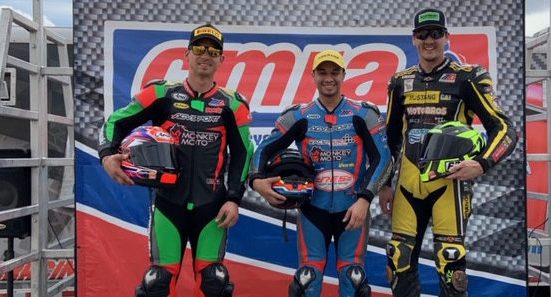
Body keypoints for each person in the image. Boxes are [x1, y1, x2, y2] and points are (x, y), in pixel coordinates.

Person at [98, 24, 254, 297]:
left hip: (213, 208)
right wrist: (107, 155)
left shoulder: (233, 104)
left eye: (213, 50)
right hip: (169, 204)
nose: (205, 55)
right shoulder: (162, 94)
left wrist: (234, 199)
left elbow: (243, 153)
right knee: (157, 282)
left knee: (213, 282)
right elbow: (116, 121)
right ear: (187, 54)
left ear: (221, 59)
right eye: (199, 48)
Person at [379, 8, 517, 297]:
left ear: (446, 38)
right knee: (398, 260)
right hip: (407, 184)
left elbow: (505, 129)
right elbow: (390, 139)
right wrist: (384, 185)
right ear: (414, 39)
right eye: (423, 34)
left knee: (450, 263)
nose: (429, 40)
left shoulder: (469, 77)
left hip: (450, 185)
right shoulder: (399, 82)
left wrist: (481, 164)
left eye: (436, 34)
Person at [249, 50, 392, 297]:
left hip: (353, 210)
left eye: (335, 72)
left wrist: (365, 199)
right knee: (308, 279)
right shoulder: (299, 116)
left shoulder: (363, 114)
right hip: (313, 210)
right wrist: (256, 181)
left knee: (353, 278)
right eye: (323, 72)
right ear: (313, 76)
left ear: (344, 75)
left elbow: (384, 159)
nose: (329, 78)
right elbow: (263, 150)